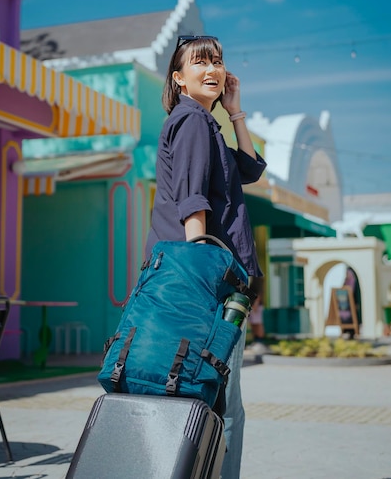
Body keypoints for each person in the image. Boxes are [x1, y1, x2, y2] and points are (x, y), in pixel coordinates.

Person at [145, 35, 267, 479]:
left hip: (196, 279)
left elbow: (250, 168)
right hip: (206, 283)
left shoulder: (204, 123)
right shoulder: (192, 120)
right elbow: (192, 200)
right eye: (199, 62)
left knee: (207, 396)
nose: (212, 67)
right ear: (178, 79)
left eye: (216, 60)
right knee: (223, 406)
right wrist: (201, 273)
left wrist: (235, 110)